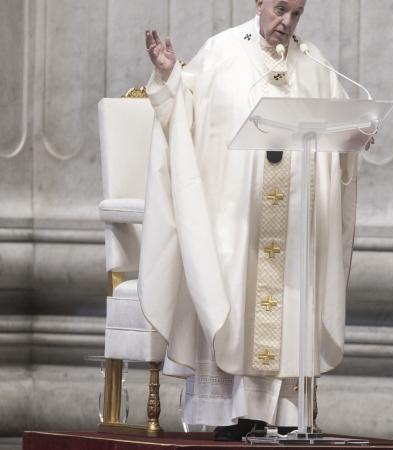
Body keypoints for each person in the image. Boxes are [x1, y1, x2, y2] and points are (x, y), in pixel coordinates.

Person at [137, 0, 360, 440]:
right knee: (233, 300)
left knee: (289, 305)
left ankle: (280, 416)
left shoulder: (314, 63)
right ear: (259, 3)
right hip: (235, 222)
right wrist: (169, 79)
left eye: (297, 14)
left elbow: (342, 131)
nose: (287, 22)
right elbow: (186, 113)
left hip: (293, 229)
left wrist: (357, 136)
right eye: (280, 9)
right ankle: (232, 414)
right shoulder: (221, 52)